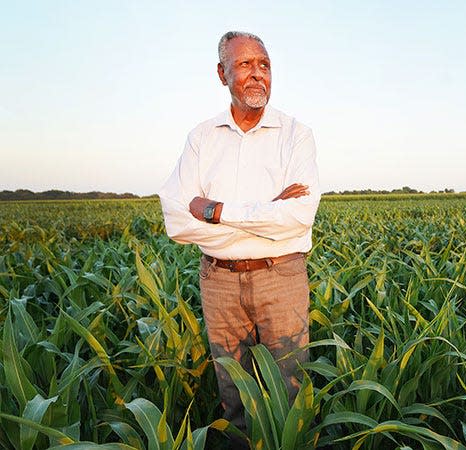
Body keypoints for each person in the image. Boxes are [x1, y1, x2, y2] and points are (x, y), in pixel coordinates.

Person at [158, 30, 320, 442]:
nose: (257, 74)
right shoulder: (201, 137)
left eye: (264, 65)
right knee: (233, 395)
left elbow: (298, 217)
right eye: (245, 64)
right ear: (221, 73)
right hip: (219, 280)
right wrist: (268, 209)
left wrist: (217, 212)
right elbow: (177, 220)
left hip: (281, 276)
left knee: (291, 389)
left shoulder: (295, 134)